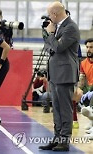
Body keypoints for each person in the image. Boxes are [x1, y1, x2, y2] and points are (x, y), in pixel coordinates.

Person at [39, 1, 80, 151]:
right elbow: (49, 47)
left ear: (55, 14)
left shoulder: (71, 27)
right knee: (56, 108)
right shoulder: (57, 27)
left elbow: (58, 47)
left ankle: (64, 140)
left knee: (65, 108)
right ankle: (57, 138)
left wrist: (50, 34)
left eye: (50, 14)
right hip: (55, 73)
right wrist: (49, 34)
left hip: (65, 73)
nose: (49, 17)